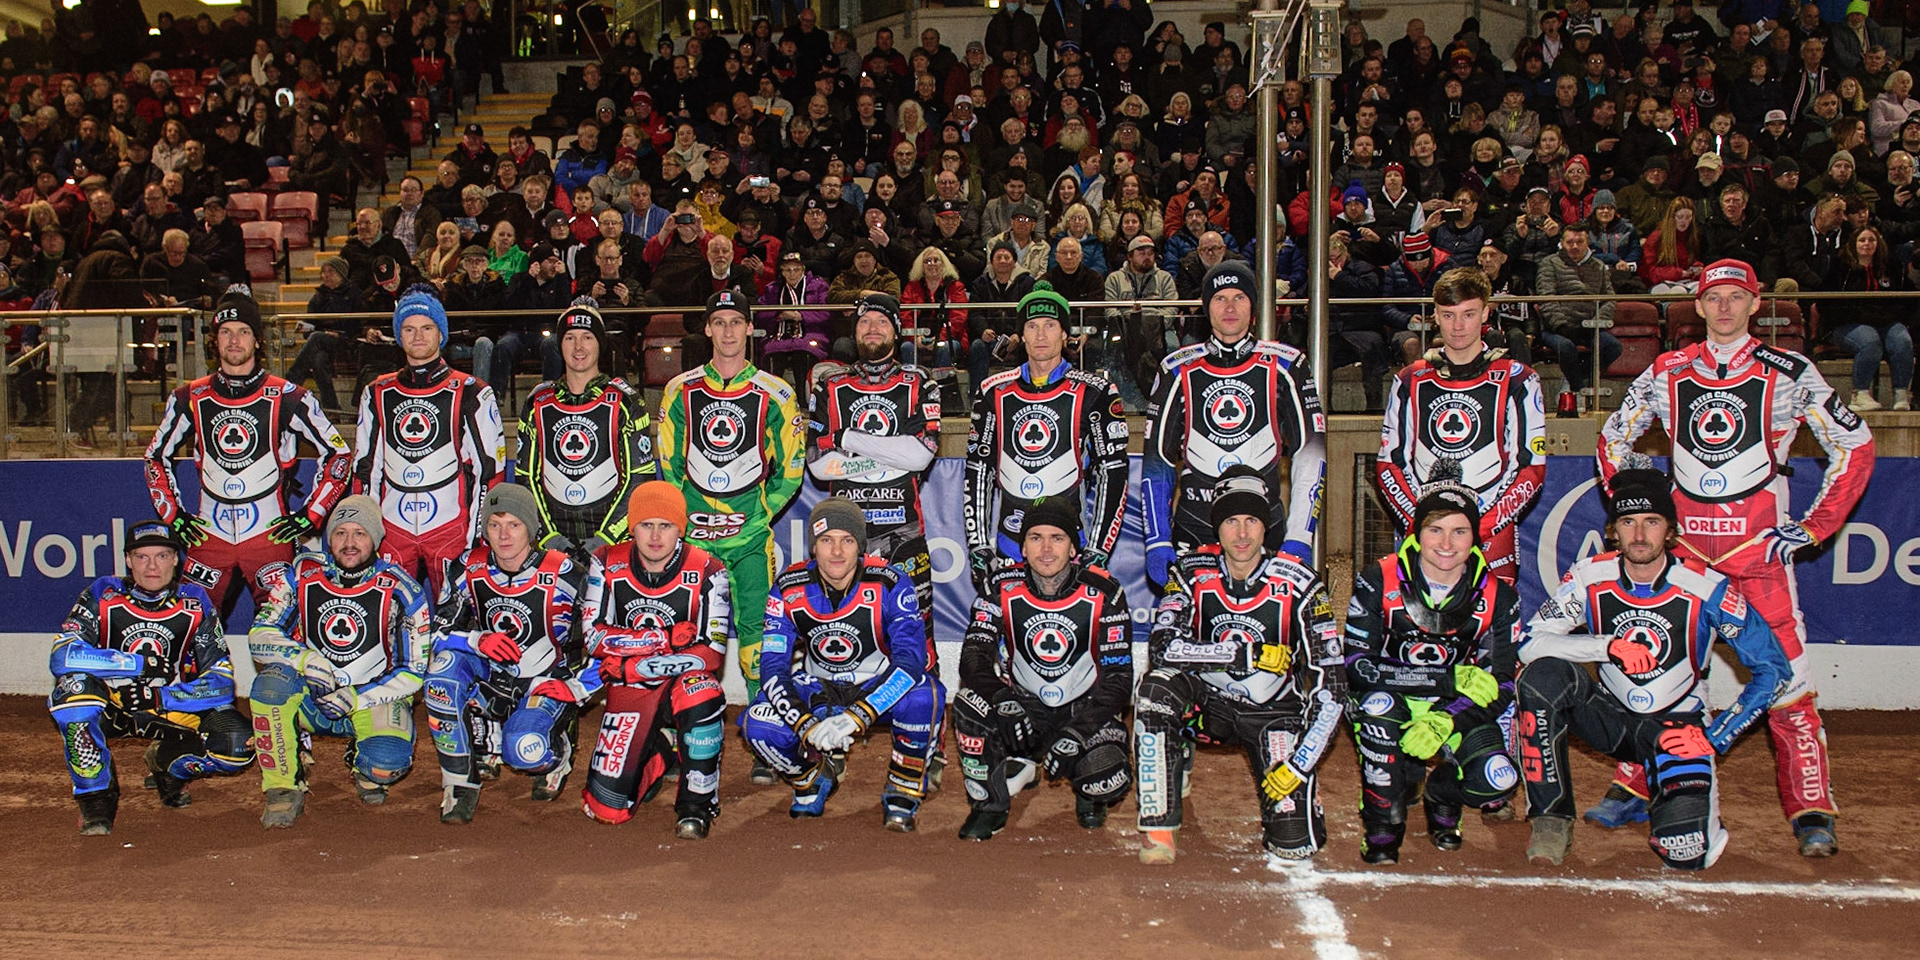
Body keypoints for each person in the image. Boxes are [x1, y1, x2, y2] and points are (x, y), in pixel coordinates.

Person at [1598, 259, 1874, 858]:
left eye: (1735, 297)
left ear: (1755, 303)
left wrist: (1813, 528)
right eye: (1712, 298)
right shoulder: (1668, 369)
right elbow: (1612, 437)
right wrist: (1640, 507)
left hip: (1758, 555)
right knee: (1662, 676)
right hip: (1688, 555)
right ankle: (1639, 783)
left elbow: (1854, 443)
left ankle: (1811, 811)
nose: (1723, 308)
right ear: (1696, 306)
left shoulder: (1790, 371)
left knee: (1789, 684)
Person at [1518, 468, 1789, 869]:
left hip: (1677, 729)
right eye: (1628, 522)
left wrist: (1715, 738)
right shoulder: (1589, 577)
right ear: (1613, 531)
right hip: (1610, 719)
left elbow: (1774, 670)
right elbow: (1530, 644)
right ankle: (1551, 819)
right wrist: (1607, 646)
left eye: (1652, 522)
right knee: (1540, 678)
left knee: (1686, 854)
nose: (1640, 535)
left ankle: (1674, 797)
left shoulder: (1707, 587)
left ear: (1671, 531)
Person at [1134, 469, 1346, 865]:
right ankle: (1159, 823)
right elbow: (1162, 648)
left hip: (1272, 714)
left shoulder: (1302, 584)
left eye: (1252, 521)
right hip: (1208, 709)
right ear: (1218, 528)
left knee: (1294, 843)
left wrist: (1300, 766)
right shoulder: (1191, 573)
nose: (1243, 533)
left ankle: (1294, 806)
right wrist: (1243, 655)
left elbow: (1332, 687)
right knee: (1155, 690)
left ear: (1267, 527)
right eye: (1232, 521)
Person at [1344, 466, 1521, 863]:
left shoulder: (1500, 597)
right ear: (1416, 534)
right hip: (1391, 699)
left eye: (1459, 531)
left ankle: (1442, 795)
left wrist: (1445, 718)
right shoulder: (1378, 578)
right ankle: (1383, 825)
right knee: (1376, 713)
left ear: (1475, 537)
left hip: (1453, 709)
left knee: (1497, 780)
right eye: (1435, 529)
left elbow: (1504, 684)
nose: (1446, 543)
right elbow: (1357, 666)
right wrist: (1447, 677)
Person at [738, 498, 945, 832]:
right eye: (826, 541)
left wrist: (857, 716)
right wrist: (804, 724)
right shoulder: (788, 587)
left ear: (860, 547)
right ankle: (811, 777)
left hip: (875, 688)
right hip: (819, 689)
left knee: (925, 695)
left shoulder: (890, 582)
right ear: (813, 547)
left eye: (847, 541)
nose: (836, 552)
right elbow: (773, 667)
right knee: (758, 724)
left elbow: (910, 660)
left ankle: (902, 789)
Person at [146, 291, 352, 620]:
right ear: (215, 340)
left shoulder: (289, 396)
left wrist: (310, 515)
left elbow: (339, 454)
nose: (234, 340)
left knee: (282, 627)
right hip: (208, 536)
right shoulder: (190, 396)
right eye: (226, 331)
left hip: (269, 536)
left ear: (257, 340)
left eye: (243, 331)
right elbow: (154, 458)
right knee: (188, 626)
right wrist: (174, 515)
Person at [48, 520, 255, 835]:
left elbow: (222, 683)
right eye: (142, 557)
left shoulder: (194, 601)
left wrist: (161, 697)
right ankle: (96, 801)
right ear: (129, 561)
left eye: (161, 556)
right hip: (111, 704)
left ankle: (167, 764)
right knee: (71, 692)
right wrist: (137, 664)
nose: (152, 566)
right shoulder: (104, 593)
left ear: (175, 559)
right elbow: (63, 655)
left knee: (237, 745)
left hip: (168, 706)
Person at [657, 289, 805, 712]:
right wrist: (693, 517)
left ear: (749, 328)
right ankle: (680, 723)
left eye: (735, 322)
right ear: (707, 329)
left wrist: (758, 514)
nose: (727, 330)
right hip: (694, 539)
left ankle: (765, 719)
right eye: (719, 322)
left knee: (758, 629)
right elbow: (670, 464)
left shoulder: (775, 394)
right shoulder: (679, 390)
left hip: (751, 538)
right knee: (685, 631)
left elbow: (791, 467)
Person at [247, 495, 433, 827]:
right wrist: (306, 660)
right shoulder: (302, 574)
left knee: (385, 765)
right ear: (328, 538)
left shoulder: (402, 588)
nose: (349, 543)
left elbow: (414, 670)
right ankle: (283, 789)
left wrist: (356, 696)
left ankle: (363, 761)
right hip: (312, 695)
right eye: (340, 533)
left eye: (359, 533)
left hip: (369, 700)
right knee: (270, 686)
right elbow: (261, 633)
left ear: (375, 539)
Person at [1143, 261, 1327, 592]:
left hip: (1264, 527)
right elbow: (1157, 460)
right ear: (1206, 307)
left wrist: (1300, 536)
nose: (1229, 307)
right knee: (1186, 636)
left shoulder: (1288, 365)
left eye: (1240, 297)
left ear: (1254, 307)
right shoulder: (1176, 369)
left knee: (1270, 636)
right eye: (1219, 298)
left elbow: (1311, 455)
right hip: (1194, 528)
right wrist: (1157, 540)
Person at [953, 501, 1132, 840]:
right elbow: (973, 657)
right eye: (1035, 538)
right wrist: (1003, 698)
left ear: (1074, 547)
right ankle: (988, 805)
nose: (1046, 549)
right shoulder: (999, 586)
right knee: (969, 703)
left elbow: (1120, 680)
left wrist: (1078, 732)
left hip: (1083, 711)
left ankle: (1086, 786)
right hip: (1024, 710)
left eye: (1057, 538)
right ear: (1022, 547)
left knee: (1107, 778)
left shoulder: (1105, 591)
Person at [424, 484, 589, 824]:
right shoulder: (467, 567)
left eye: (514, 524)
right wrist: (476, 640)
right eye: (494, 524)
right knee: (443, 670)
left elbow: (605, 637)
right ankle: (459, 783)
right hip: (493, 681)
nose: (503, 535)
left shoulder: (567, 572)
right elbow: (435, 634)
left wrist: (577, 687)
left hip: (544, 682)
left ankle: (557, 750)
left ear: (531, 527)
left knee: (526, 752)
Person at [1377, 268, 1547, 585]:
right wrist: (1423, 522)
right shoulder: (1409, 379)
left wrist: (1478, 527)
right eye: (1448, 314)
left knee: (1494, 629)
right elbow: (1390, 463)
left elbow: (1531, 467)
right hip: (1423, 532)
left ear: (1485, 311)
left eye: (1468, 314)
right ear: (1435, 316)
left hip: (1491, 533)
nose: (1458, 326)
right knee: (1416, 624)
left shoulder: (1519, 379)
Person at [579, 482, 730, 837]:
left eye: (666, 525)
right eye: (647, 525)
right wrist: (660, 639)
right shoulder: (606, 561)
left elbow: (711, 654)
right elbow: (592, 637)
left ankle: (696, 803)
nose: (656, 536)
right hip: (630, 684)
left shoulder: (710, 569)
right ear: (632, 527)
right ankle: (662, 750)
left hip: (666, 677)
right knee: (606, 808)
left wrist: (636, 662)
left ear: (682, 529)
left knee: (702, 691)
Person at [963, 282, 1127, 591]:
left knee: (1072, 633)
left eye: (1050, 326)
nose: (1041, 335)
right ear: (1020, 335)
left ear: (1065, 334)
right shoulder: (992, 390)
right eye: (1032, 326)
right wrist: (977, 543)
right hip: (1010, 545)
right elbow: (977, 471)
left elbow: (1113, 473)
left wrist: (1099, 547)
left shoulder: (1095, 391)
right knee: (1007, 634)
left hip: (1072, 546)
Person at [352, 287, 507, 598]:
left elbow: (490, 471)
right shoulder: (378, 392)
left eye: (427, 328)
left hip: (451, 530)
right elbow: (366, 470)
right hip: (392, 531)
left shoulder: (472, 391)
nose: (418, 336)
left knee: (459, 623)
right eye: (409, 329)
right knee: (384, 621)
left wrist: (478, 535)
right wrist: (363, 530)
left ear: (441, 334)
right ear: (398, 336)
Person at [807, 293, 941, 630]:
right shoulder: (831, 386)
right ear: (854, 332)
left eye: (882, 321)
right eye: (864, 321)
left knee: (915, 630)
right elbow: (818, 465)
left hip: (904, 532)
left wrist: (847, 439)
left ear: (896, 331)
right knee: (848, 629)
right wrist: (893, 457)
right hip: (844, 536)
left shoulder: (921, 383)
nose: (872, 328)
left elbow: (921, 455)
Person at [515, 302, 658, 559]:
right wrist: (547, 535)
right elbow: (526, 477)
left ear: (600, 344)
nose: (578, 347)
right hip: (553, 542)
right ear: (560, 344)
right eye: (570, 338)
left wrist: (607, 537)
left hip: (613, 542)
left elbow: (640, 478)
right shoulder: (538, 401)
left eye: (587, 338)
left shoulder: (625, 400)